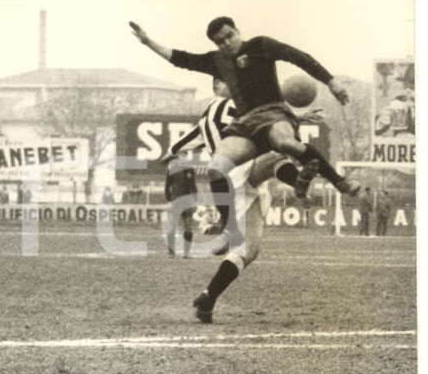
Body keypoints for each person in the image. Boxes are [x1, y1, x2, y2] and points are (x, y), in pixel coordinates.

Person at [130, 18, 360, 245]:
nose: (227, 43)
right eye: (220, 41)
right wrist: (148, 41)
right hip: (245, 123)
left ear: (238, 31)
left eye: (230, 36)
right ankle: (231, 229)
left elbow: (299, 57)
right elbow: (180, 59)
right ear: (216, 44)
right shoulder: (217, 60)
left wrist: (331, 81)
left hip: (274, 113)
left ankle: (339, 181)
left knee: (286, 144)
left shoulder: (260, 46)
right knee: (216, 169)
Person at [165, 78, 316, 323]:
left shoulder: (206, 121)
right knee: (275, 156)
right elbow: (267, 121)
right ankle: (298, 182)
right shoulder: (229, 105)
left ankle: (208, 298)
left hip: (234, 182)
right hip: (238, 171)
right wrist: (296, 118)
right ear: (216, 87)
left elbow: (175, 148)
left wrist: (174, 164)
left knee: (248, 251)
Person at [162, 151, 197, 259]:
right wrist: (169, 198)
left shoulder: (189, 168)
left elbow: (193, 186)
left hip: (185, 201)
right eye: (181, 155)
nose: (183, 158)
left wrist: (195, 200)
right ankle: (171, 252)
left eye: (184, 155)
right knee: (172, 225)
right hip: (176, 200)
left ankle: (185, 253)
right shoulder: (172, 168)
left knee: (187, 226)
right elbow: (167, 185)